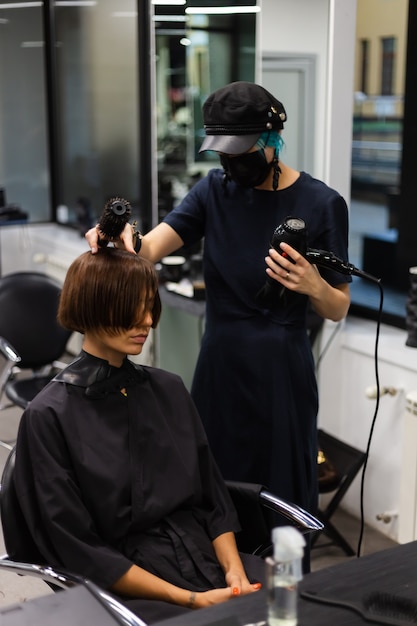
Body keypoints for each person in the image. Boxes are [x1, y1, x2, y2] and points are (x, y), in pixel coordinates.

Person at [86, 81, 351, 532]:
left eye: (242, 150)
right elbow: (147, 250)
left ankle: (283, 588)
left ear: (272, 138)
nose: (232, 162)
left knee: (281, 497)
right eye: (224, 152)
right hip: (220, 364)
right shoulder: (213, 191)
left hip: (281, 372)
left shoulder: (322, 204)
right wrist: (117, 239)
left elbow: (338, 307)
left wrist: (311, 285)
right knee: (216, 487)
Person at [13, 248, 263, 624]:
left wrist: (235, 575)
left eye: (149, 306)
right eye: (132, 307)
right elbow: (79, 548)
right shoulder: (48, 416)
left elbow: (213, 499)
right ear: (93, 305)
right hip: (120, 582)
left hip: (201, 552)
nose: (147, 320)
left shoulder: (168, 389)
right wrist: (190, 599)